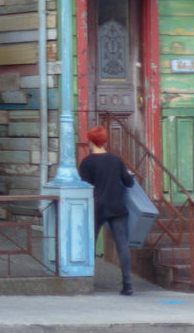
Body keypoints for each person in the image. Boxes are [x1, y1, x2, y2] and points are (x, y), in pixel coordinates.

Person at [78, 125, 136, 296]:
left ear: (90, 141)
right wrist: (129, 174)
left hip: (96, 207)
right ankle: (127, 285)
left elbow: (84, 186)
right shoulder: (115, 160)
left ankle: (86, 281)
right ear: (104, 141)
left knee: (89, 244)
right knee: (122, 245)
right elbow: (129, 183)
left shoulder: (87, 162)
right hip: (117, 206)